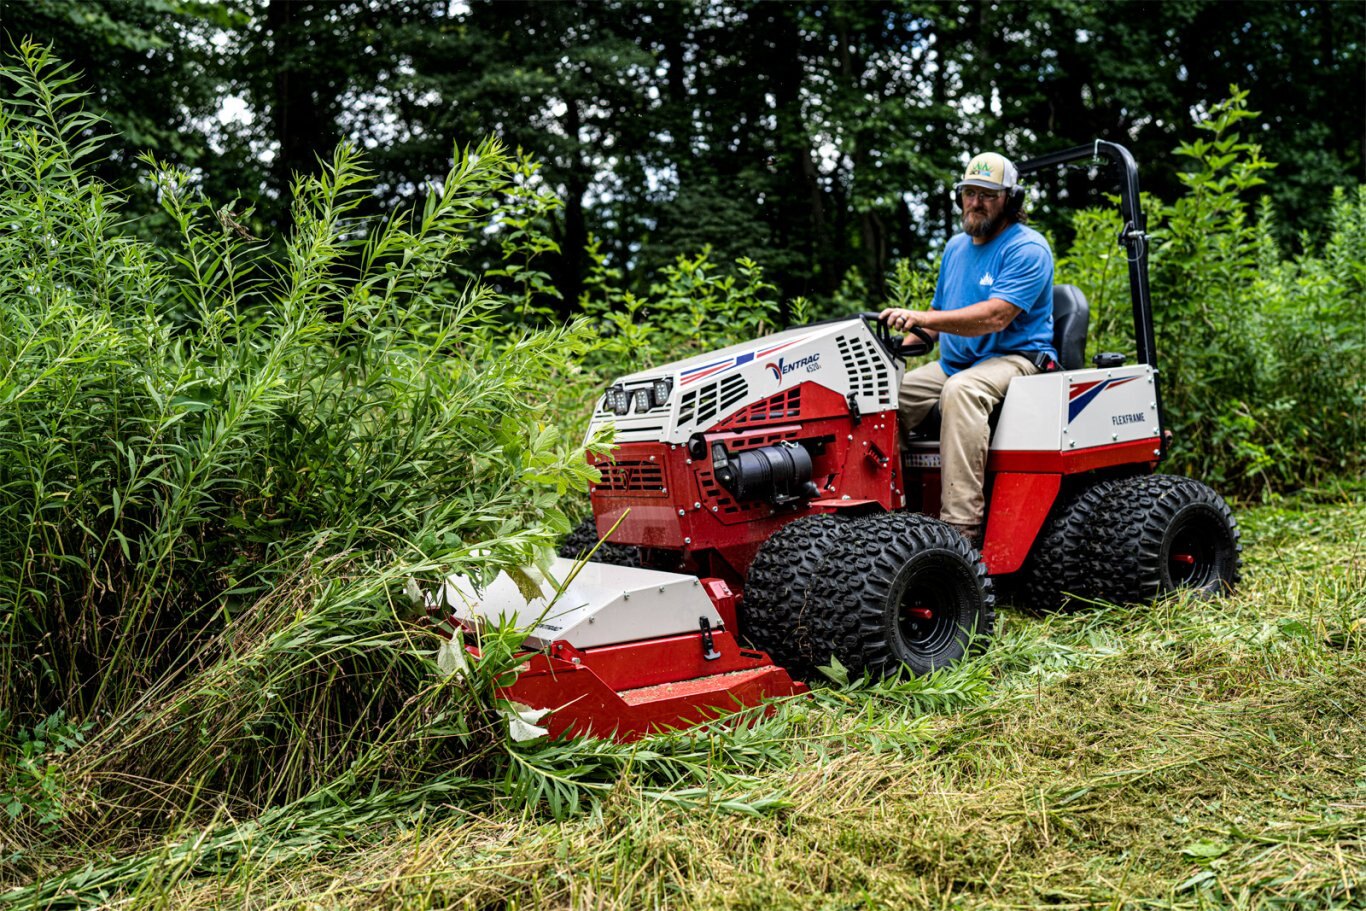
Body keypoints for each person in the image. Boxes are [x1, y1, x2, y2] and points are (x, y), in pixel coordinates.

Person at [878, 151, 1056, 545]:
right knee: (883, 396)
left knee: (961, 391)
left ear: (1011, 199)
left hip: (1016, 359)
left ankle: (960, 533)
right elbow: (940, 312)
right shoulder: (956, 248)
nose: (976, 202)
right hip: (956, 362)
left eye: (987, 195)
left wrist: (922, 319)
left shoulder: (1028, 248)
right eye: (969, 193)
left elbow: (995, 316)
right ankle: (888, 515)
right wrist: (893, 351)